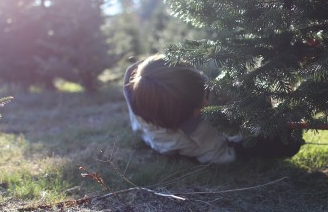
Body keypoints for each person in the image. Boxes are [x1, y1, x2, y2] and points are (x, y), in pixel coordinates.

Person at [123, 54, 302, 164]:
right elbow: (214, 152)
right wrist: (244, 148)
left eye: (204, 96)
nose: (204, 105)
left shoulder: (179, 80)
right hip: (169, 139)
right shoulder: (174, 136)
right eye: (198, 108)